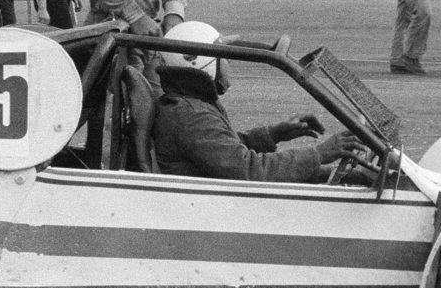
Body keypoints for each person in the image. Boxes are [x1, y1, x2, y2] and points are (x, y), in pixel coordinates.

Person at [152, 21, 362, 182]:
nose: (227, 65)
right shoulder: (193, 116)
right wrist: (318, 154)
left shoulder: (190, 105)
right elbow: (247, 170)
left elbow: (224, 151)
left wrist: (272, 134)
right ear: (200, 64)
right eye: (222, 58)